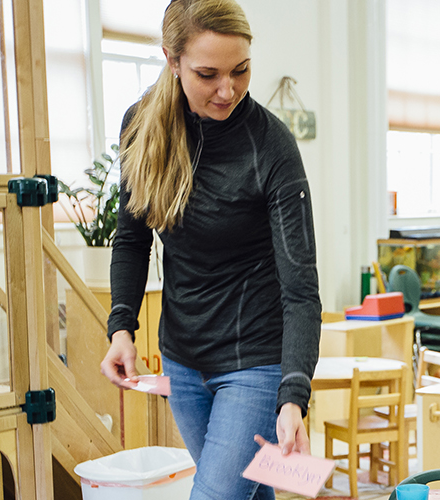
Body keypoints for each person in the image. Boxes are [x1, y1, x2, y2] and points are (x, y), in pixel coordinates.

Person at [98, 1, 320, 498]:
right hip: (183, 359)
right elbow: (131, 239)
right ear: (171, 60)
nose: (228, 90)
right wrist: (121, 326)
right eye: (208, 74)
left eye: (241, 71)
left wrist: (293, 397)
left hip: (255, 362)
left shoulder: (272, 147)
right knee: (251, 492)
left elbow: (301, 289)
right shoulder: (141, 126)